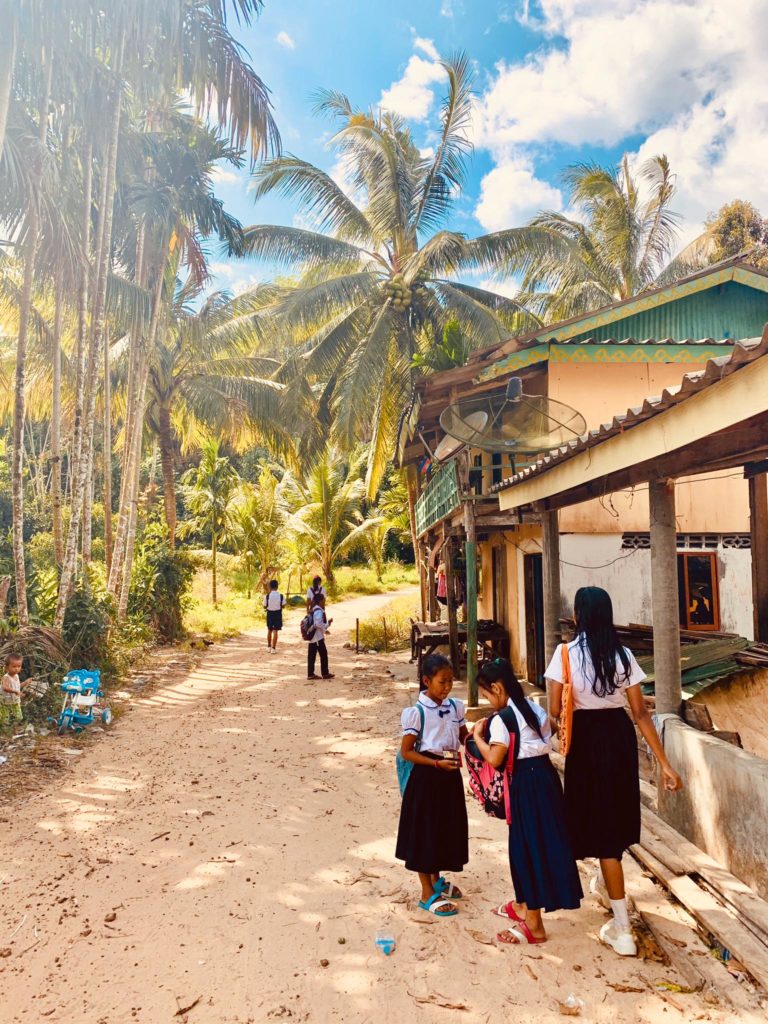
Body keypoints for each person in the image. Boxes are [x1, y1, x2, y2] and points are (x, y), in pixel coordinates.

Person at [545, 586, 683, 957]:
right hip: (618, 738)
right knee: (611, 818)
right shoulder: (623, 655)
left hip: (586, 740)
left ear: (578, 616)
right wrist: (664, 764)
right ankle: (608, 887)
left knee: (597, 825)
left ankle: (622, 929)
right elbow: (640, 713)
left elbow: (555, 709)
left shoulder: (564, 655)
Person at [470, 659, 582, 945]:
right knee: (543, 843)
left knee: (526, 848)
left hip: (525, 783)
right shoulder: (533, 708)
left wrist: (477, 737)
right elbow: (553, 729)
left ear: (496, 688)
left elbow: (495, 759)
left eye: (486, 695)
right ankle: (524, 904)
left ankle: (534, 924)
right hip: (546, 777)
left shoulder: (501, 720)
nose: (488, 700)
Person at [395, 653, 469, 917]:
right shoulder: (417, 713)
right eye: (442, 682)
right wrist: (436, 765)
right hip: (427, 778)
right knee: (424, 834)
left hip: (449, 777)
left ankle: (436, 880)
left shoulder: (455, 707)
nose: (447, 686)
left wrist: (480, 740)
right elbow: (407, 752)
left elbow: (463, 737)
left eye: (450, 680)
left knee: (443, 830)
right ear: (427, 681)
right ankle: (426, 892)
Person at [306, 594, 334, 680]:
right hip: (317, 637)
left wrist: (327, 624)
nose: (324, 603)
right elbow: (318, 623)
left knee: (311, 656)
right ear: (321, 601)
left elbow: (318, 623)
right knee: (323, 654)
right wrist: (325, 629)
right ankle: (325, 673)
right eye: (323, 601)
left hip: (312, 636)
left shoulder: (313, 609)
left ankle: (310, 674)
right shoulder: (319, 611)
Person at [1, 653, 25, 726]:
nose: (17, 668)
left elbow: (17, 686)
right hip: (5, 700)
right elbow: (5, 687)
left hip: (14, 700)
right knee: (5, 717)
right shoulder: (6, 677)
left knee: (19, 717)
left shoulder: (16, 676)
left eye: (19, 666)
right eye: (14, 666)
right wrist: (15, 691)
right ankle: (5, 728)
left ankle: (14, 726)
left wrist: (26, 682)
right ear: (7, 667)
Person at [263, 579, 286, 654]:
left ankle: (269, 646)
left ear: (269, 587)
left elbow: (264, 606)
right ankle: (273, 648)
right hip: (278, 614)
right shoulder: (281, 596)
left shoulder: (267, 596)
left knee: (269, 630)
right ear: (277, 586)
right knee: (275, 630)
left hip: (270, 614)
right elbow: (283, 605)